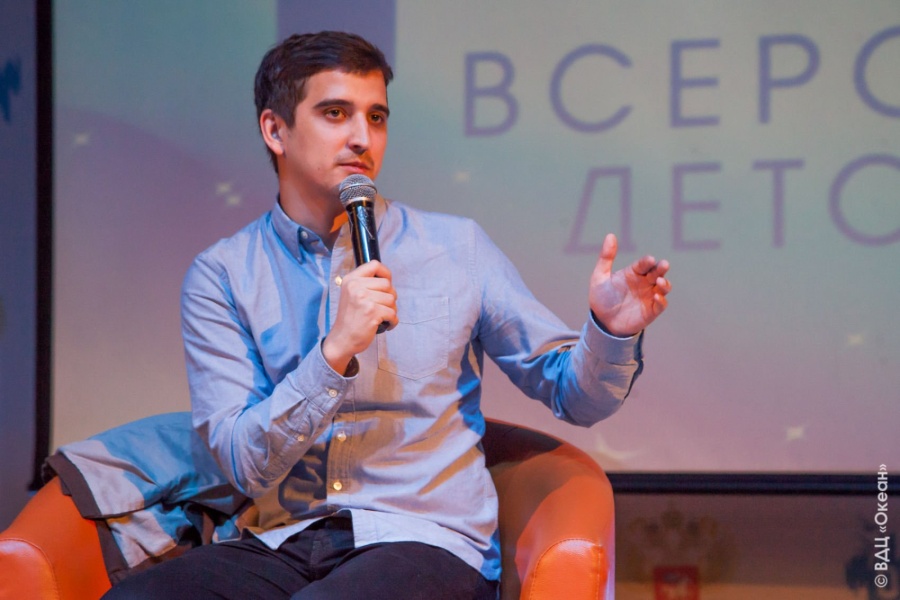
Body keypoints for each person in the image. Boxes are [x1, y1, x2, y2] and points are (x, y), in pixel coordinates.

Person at [103, 30, 671, 600]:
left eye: (376, 117)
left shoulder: (456, 249)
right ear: (275, 130)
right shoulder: (223, 275)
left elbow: (574, 397)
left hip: (424, 539)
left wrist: (610, 332)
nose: (362, 137)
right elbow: (242, 464)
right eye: (335, 113)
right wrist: (333, 353)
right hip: (281, 539)